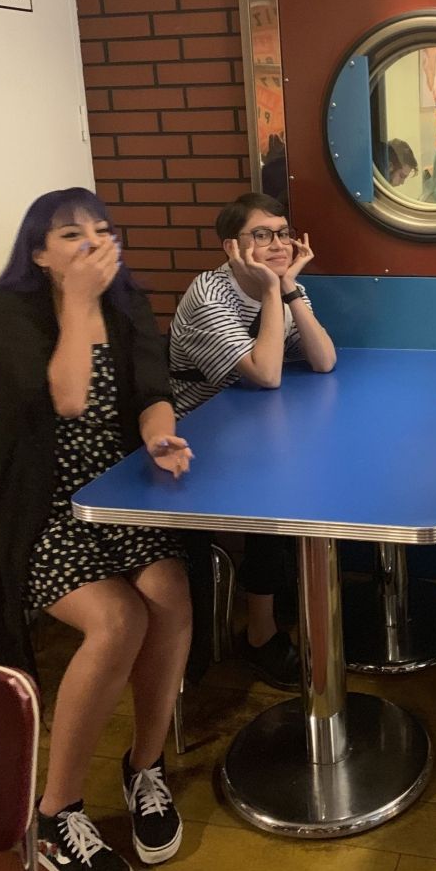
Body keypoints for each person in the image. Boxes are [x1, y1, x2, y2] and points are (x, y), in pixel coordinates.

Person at [0, 187, 193, 871]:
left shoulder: (129, 302)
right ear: (38, 254)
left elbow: (153, 389)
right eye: (72, 236)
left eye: (102, 231)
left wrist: (159, 435)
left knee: (169, 594)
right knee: (117, 620)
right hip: (46, 515)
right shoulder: (11, 313)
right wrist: (76, 303)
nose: (93, 245)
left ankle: (144, 767)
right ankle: (55, 810)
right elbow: (64, 399)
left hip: (123, 496)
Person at [168, 192, 336, 689]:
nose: (278, 243)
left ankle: (281, 604)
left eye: (282, 232)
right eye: (261, 235)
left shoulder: (278, 286)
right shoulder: (210, 296)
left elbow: (323, 359)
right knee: (276, 487)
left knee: (296, 471)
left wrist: (290, 288)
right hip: (195, 437)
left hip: (250, 422)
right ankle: (260, 633)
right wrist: (272, 291)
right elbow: (266, 374)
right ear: (231, 247)